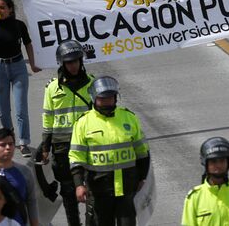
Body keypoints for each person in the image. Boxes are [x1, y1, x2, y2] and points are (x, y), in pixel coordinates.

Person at [69, 76, 150, 226]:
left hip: (126, 189)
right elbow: (76, 157)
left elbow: (142, 152)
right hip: (99, 190)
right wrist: (79, 184)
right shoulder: (83, 123)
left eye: (110, 98)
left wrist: (143, 178)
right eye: (103, 99)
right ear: (94, 98)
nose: (107, 102)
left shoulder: (129, 117)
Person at [41, 40, 94, 226]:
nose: (73, 65)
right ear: (62, 63)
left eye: (76, 61)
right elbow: (48, 120)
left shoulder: (93, 85)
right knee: (68, 191)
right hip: (62, 146)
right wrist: (45, 146)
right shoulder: (52, 88)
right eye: (69, 62)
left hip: (88, 146)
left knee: (91, 190)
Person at [0, 0, 40, 157]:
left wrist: (32, 63)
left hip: (18, 67)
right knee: (3, 110)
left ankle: (24, 142)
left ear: (10, 9)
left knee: (21, 108)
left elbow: (28, 44)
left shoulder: (19, 25)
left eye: (2, 8)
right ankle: (10, 135)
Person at [181, 137, 229, 226]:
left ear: (228, 163)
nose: (218, 165)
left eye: (222, 161)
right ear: (206, 164)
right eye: (213, 161)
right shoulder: (194, 198)